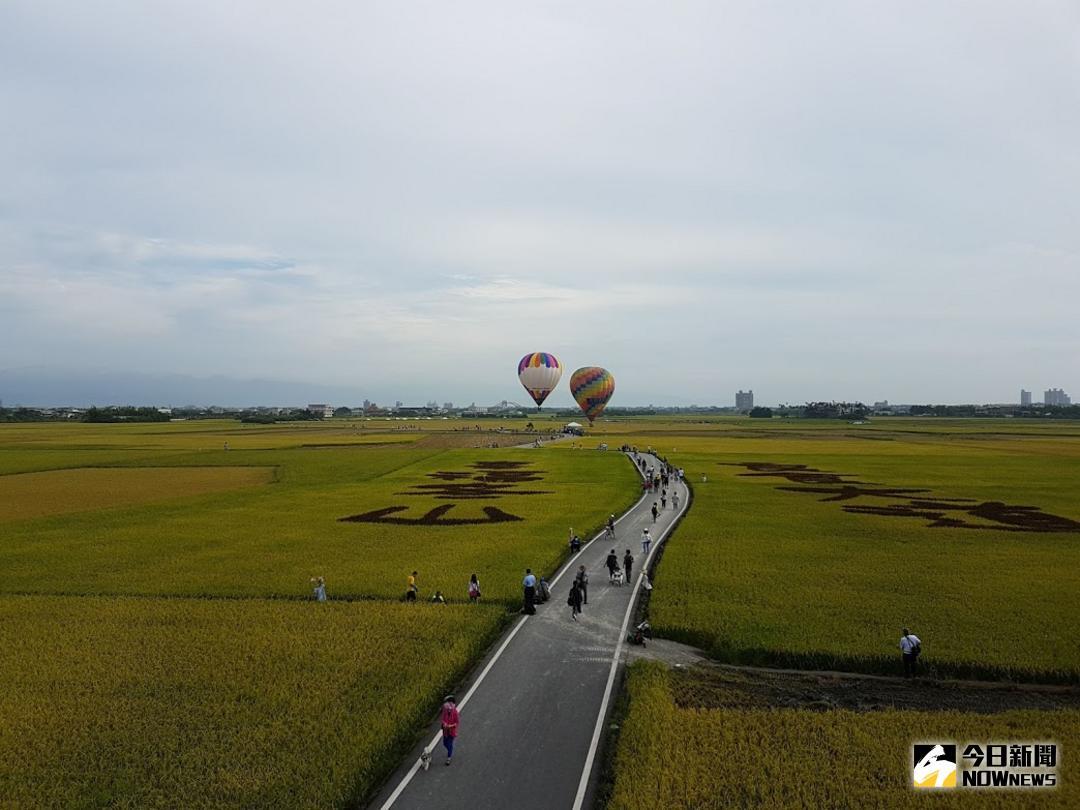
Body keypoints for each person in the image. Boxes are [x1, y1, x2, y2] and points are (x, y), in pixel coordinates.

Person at [440, 695, 459, 765]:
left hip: (451, 731)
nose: (447, 704)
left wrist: (450, 726)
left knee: (449, 744)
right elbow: (442, 719)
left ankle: (449, 757)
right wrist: (444, 723)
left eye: (449, 703)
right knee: (445, 743)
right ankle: (450, 750)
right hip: (445, 731)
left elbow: (457, 723)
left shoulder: (455, 712)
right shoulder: (445, 711)